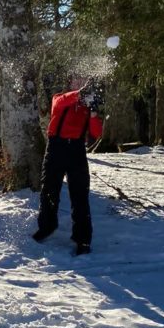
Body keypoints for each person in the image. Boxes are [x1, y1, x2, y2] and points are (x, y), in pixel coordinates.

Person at [33, 79, 104, 255]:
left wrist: (94, 113)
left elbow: (97, 133)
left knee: (80, 195)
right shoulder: (60, 98)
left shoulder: (87, 108)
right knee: (49, 190)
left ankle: (83, 240)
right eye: (78, 83)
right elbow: (61, 101)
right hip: (56, 148)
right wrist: (78, 94)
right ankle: (47, 227)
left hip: (77, 150)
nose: (81, 87)